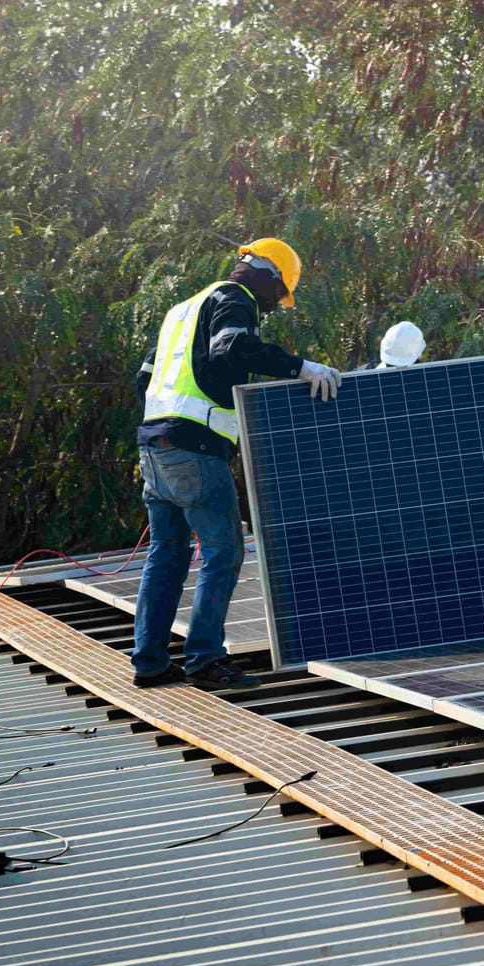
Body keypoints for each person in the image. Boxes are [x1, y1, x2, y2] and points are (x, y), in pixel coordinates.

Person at [131, 238, 343, 689]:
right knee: (223, 552)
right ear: (265, 274)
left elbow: (144, 377)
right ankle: (205, 660)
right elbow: (232, 347)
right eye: (278, 292)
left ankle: (149, 661)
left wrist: (166, 427)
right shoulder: (234, 299)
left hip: (154, 445)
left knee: (166, 553)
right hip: (195, 449)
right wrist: (300, 367)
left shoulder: (183, 309)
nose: (273, 305)